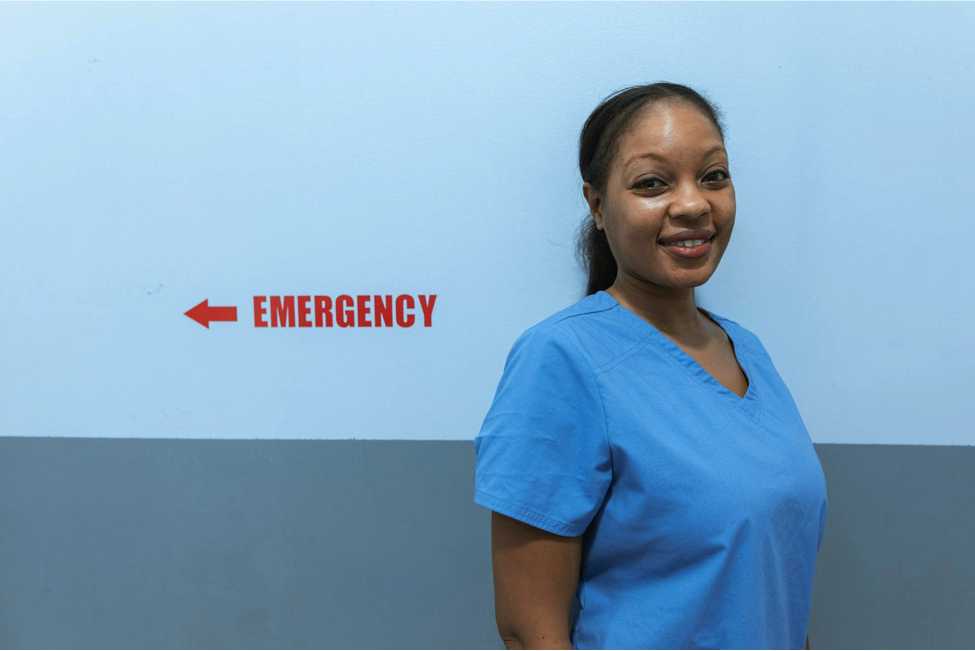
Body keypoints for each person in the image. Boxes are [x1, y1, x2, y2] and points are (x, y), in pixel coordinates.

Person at [473, 82, 828, 650]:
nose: (693, 205)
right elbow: (528, 631)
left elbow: (773, 588)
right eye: (652, 183)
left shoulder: (748, 351)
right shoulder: (561, 359)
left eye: (713, 176)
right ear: (597, 205)